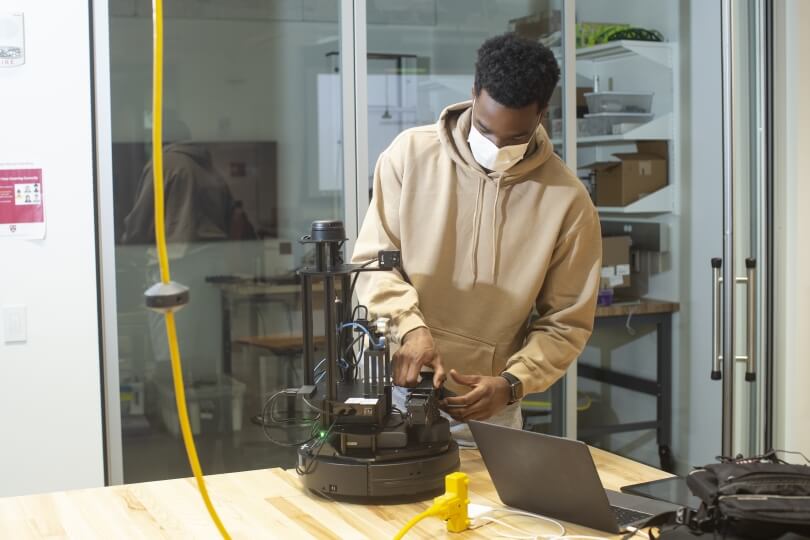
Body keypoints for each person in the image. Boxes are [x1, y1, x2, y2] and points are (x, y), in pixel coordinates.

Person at [352, 33, 602, 440]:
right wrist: (409, 327)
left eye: (515, 137)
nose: (496, 146)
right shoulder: (408, 156)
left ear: (541, 115)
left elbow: (566, 323)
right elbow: (372, 263)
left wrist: (513, 383)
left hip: (486, 406)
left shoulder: (568, 201)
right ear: (473, 93)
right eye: (485, 130)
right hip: (392, 384)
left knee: (488, 506)